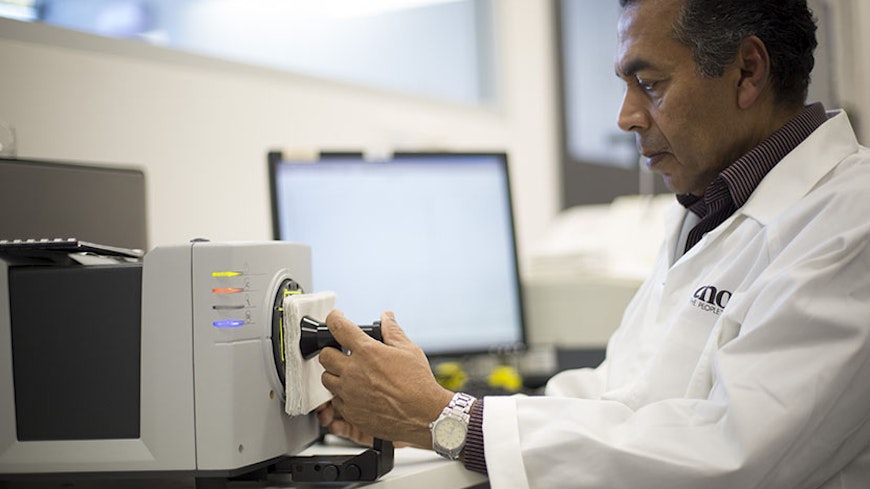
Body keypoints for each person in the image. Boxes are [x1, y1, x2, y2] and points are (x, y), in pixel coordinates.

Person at [316, 0, 870, 487]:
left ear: (747, 71)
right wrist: (419, 415)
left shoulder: (850, 220)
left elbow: (730, 452)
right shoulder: (708, 211)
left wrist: (445, 419)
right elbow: (617, 397)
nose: (626, 117)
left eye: (649, 84)